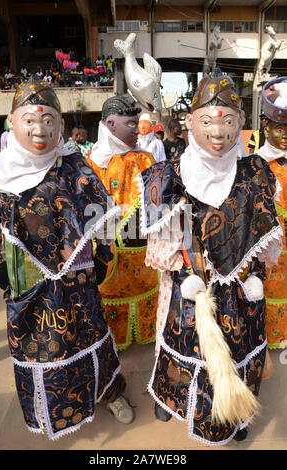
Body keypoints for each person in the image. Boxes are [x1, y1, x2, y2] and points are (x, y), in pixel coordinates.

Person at [137, 74, 282, 446]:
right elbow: (164, 241)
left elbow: (264, 232)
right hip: (191, 291)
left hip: (240, 292)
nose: (218, 133)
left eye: (228, 121)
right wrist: (184, 271)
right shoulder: (165, 177)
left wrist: (257, 272)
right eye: (207, 121)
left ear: (240, 125)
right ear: (189, 123)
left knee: (239, 349)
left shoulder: (256, 173)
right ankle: (176, 401)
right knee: (187, 349)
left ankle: (237, 411)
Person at [0, 81, 134, 440]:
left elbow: (101, 216)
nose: (41, 131)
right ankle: (51, 408)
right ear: (11, 122)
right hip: (28, 281)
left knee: (91, 334)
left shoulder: (74, 166)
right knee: (44, 346)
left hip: (79, 274)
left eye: (50, 121)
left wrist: (103, 255)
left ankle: (108, 392)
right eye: (31, 121)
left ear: (61, 126)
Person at [86, 94, 160, 350]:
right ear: (109, 124)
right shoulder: (95, 163)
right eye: (130, 123)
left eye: (136, 122)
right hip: (111, 252)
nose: (136, 129)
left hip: (144, 253)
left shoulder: (146, 158)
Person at [256, 77, 287, 351]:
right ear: (266, 126)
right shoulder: (256, 165)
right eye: (280, 128)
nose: (285, 134)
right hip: (272, 248)